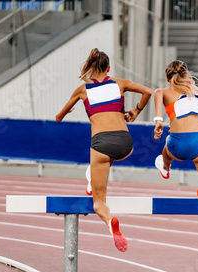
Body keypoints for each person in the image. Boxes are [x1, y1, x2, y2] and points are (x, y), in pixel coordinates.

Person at [55, 48, 152, 252]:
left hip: (100, 143)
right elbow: (148, 92)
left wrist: (69, 109)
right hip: (126, 144)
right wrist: (136, 110)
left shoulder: (82, 90)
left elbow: (58, 117)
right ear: (108, 69)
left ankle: (110, 223)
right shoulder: (119, 83)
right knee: (108, 159)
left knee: (99, 202)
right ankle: (91, 177)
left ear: (90, 69)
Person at [153, 60, 198, 222]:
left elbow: (157, 100)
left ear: (168, 79)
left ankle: (166, 166)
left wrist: (159, 120)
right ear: (186, 74)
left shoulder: (163, 91)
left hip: (178, 143)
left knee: (168, 139)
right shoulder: (196, 90)